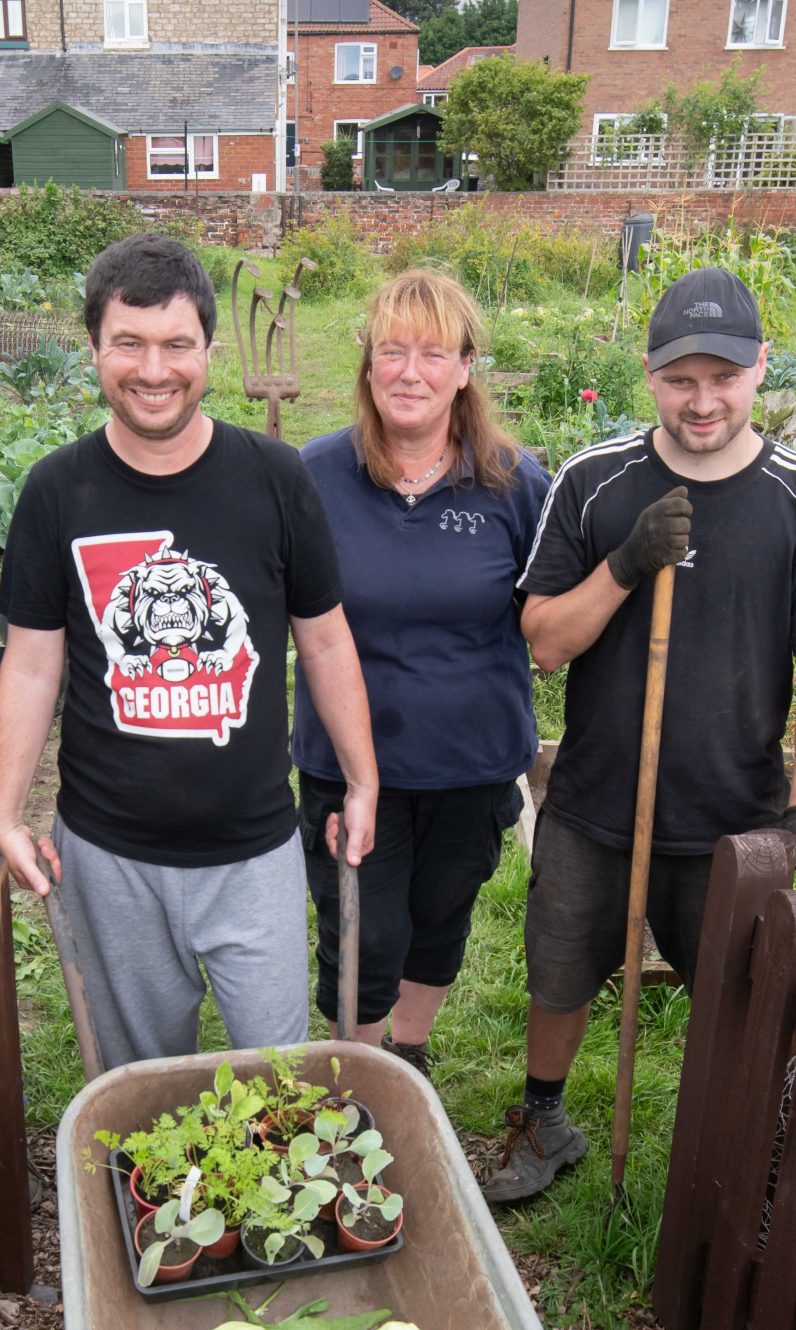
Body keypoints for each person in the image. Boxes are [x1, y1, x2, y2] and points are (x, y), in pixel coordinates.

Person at [491, 266, 796, 1206]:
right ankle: (546, 1117)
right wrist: (623, 563)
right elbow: (543, 642)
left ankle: (737, 1143)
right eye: (680, 379)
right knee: (561, 967)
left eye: (724, 378)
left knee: (737, 996)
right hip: (596, 798)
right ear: (649, 373)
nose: (703, 401)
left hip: (733, 816)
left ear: (761, 369)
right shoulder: (596, 481)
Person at [0, 234, 380, 1069]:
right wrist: (4, 810)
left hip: (254, 849)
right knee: (141, 1079)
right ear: (94, 347)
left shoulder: (275, 478)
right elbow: (31, 663)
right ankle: (147, 1203)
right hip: (108, 851)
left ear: (208, 349)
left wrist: (363, 778)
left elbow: (325, 637)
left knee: (279, 1079)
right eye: (128, 344)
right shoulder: (58, 491)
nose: (153, 369)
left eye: (175, 345)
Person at [296, 269, 550, 1079]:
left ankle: (408, 1056)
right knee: (360, 929)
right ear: (368, 365)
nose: (411, 371)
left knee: (441, 914)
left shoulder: (514, 482)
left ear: (467, 368)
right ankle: (353, 1081)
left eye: (434, 353)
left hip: (470, 760)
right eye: (392, 351)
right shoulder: (316, 477)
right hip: (347, 759)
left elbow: (550, 614)